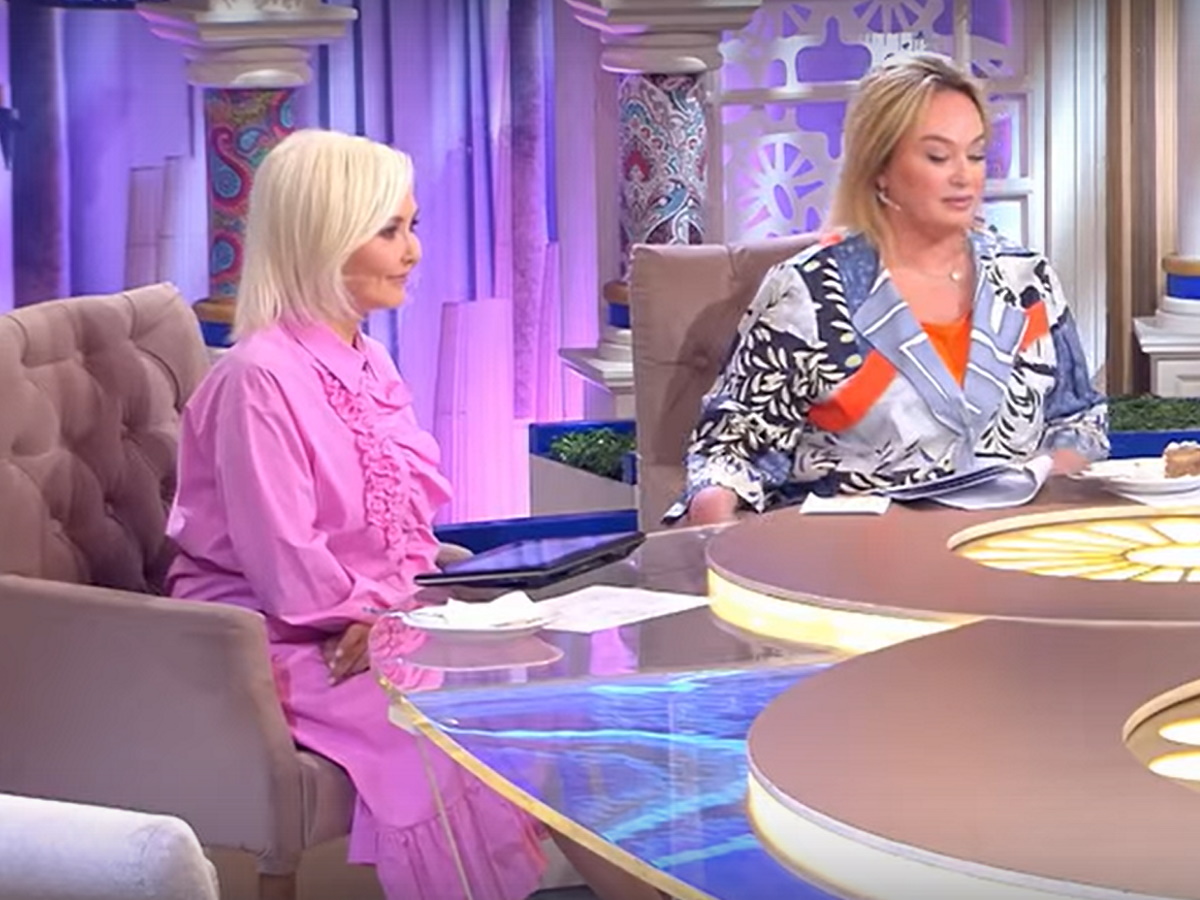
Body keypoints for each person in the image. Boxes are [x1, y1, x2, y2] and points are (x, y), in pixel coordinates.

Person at [167, 130, 661, 900]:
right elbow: (289, 572)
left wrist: (413, 610)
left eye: (413, 226)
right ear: (325, 238)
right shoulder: (257, 380)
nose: (414, 251)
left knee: (557, 693)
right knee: (452, 726)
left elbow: (403, 536)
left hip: (384, 622)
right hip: (286, 646)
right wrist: (388, 619)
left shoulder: (371, 360)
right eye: (390, 230)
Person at [675, 53, 1108, 526]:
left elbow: (1079, 419)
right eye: (938, 156)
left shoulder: (1027, 280)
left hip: (1007, 543)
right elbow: (730, 452)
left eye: (976, 155)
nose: (964, 175)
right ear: (880, 168)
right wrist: (713, 535)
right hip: (851, 552)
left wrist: (1044, 484)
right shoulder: (809, 292)